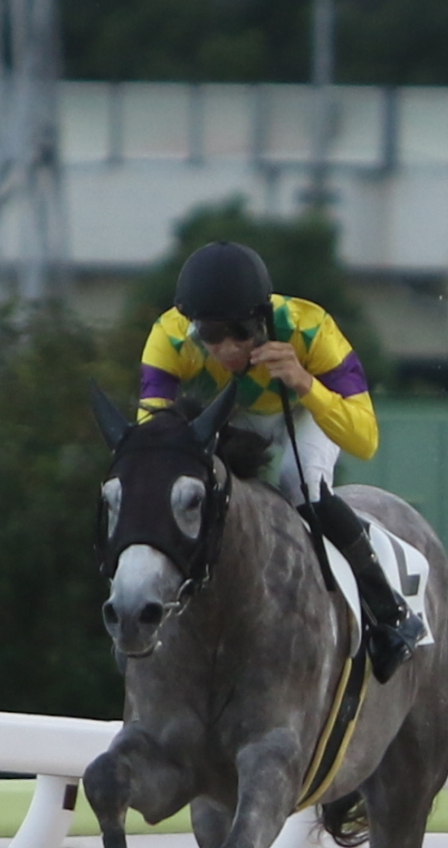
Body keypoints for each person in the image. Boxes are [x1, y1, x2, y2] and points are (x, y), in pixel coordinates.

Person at [135, 241, 421, 682]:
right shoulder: (168, 336)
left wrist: (306, 383)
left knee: (299, 484)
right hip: (235, 414)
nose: (227, 348)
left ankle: (391, 613)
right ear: (191, 327)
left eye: (241, 331)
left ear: (262, 319)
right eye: (210, 335)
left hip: (307, 411)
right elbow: (151, 433)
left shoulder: (311, 328)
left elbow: (365, 439)